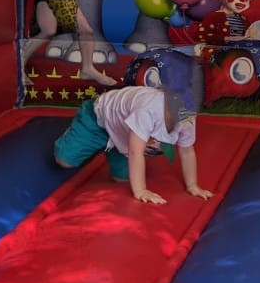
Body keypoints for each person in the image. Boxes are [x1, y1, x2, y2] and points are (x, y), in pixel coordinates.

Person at [51, 57, 212, 205]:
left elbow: (186, 150)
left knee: (122, 179)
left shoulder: (186, 116)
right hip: (98, 121)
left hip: (124, 133)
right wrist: (141, 190)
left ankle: (113, 148)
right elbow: (136, 153)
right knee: (64, 160)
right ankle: (77, 134)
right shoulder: (148, 109)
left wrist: (193, 185)